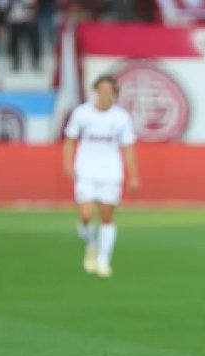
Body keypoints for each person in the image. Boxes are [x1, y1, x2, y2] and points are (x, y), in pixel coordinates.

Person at [63, 74, 139, 278]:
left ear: (115, 94)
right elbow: (70, 140)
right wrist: (68, 164)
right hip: (86, 169)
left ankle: (104, 260)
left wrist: (133, 175)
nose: (106, 95)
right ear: (96, 91)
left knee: (107, 215)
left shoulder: (121, 117)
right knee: (86, 215)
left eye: (110, 91)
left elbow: (128, 147)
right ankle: (91, 244)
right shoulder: (82, 113)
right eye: (102, 90)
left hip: (111, 171)